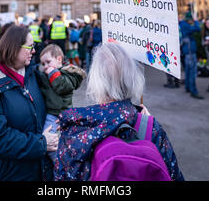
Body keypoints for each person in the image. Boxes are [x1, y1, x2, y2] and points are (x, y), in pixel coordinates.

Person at [54, 42, 184, 181]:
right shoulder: (150, 128)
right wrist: (147, 125)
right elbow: (173, 175)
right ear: (132, 78)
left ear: (96, 81)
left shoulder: (75, 130)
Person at [0, 25, 58, 181]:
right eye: (29, 47)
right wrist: (41, 144)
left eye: (34, 46)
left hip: (40, 171)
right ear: (13, 47)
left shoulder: (32, 74)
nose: (34, 51)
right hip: (8, 174)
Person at [36, 44, 86, 164]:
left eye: (48, 62)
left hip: (58, 114)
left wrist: (53, 73)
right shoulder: (48, 74)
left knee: (49, 138)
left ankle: (60, 163)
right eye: (43, 64)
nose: (45, 66)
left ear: (59, 59)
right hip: (52, 112)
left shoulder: (67, 74)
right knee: (55, 138)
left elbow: (62, 86)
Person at [179, 12, 204, 99]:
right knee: (192, 72)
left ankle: (188, 87)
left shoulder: (182, 24)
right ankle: (194, 91)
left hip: (186, 52)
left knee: (188, 71)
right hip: (190, 52)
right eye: (191, 20)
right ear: (189, 19)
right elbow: (197, 28)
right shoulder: (186, 25)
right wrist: (196, 20)